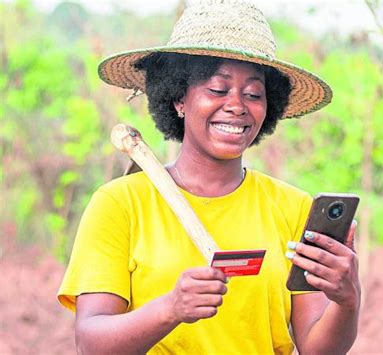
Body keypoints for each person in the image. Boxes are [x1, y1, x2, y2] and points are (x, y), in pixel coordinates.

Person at [57, 1, 361, 354]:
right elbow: (91, 343)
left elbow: (317, 349)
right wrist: (170, 308)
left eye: (253, 94)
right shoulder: (120, 203)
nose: (237, 105)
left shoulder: (292, 208)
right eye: (218, 89)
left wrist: (347, 300)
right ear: (178, 99)